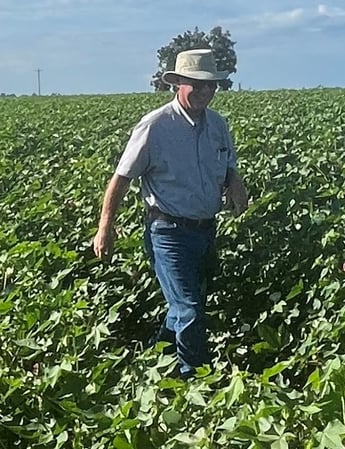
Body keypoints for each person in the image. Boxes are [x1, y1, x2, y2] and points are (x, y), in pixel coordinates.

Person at [93, 49, 249, 378]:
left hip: (206, 230)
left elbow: (228, 166)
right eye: (197, 84)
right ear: (177, 83)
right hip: (168, 232)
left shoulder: (218, 125)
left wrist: (235, 184)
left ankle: (152, 360)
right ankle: (196, 382)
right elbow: (121, 178)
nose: (205, 91)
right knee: (190, 309)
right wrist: (105, 228)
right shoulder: (156, 126)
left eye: (211, 86)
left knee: (183, 307)